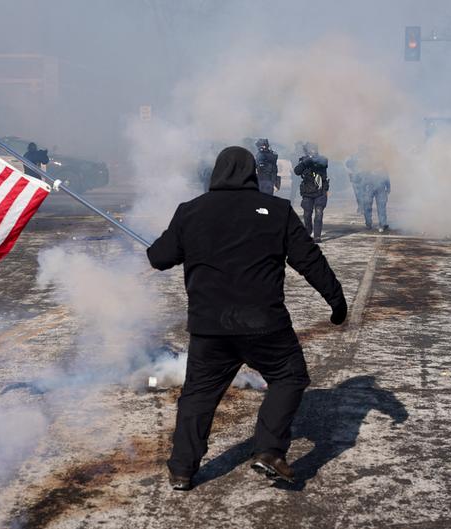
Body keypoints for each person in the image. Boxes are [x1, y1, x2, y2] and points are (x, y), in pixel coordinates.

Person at [147, 146, 347, 491]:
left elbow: (159, 257)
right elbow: (309, 260)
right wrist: (336, 299)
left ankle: (182, 469)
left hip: (210, 327)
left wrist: (172, 244)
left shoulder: (190, 211)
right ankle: (269, 450)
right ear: (252, 173)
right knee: (290, 376)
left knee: (198, 395)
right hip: (264, 324)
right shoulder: (277, 210)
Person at [294, 142, 330, 243]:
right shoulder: (304, 160)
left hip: (320, 191)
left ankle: (317, 236)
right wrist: (305, 162)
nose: (313, 151)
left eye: (314, 149)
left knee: (319, 213)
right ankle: (308, 232)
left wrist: (310, 160)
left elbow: (322, 165)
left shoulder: (322, 159)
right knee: (307, 214)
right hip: (307, 192)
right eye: (311, 149)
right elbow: (297, 171)